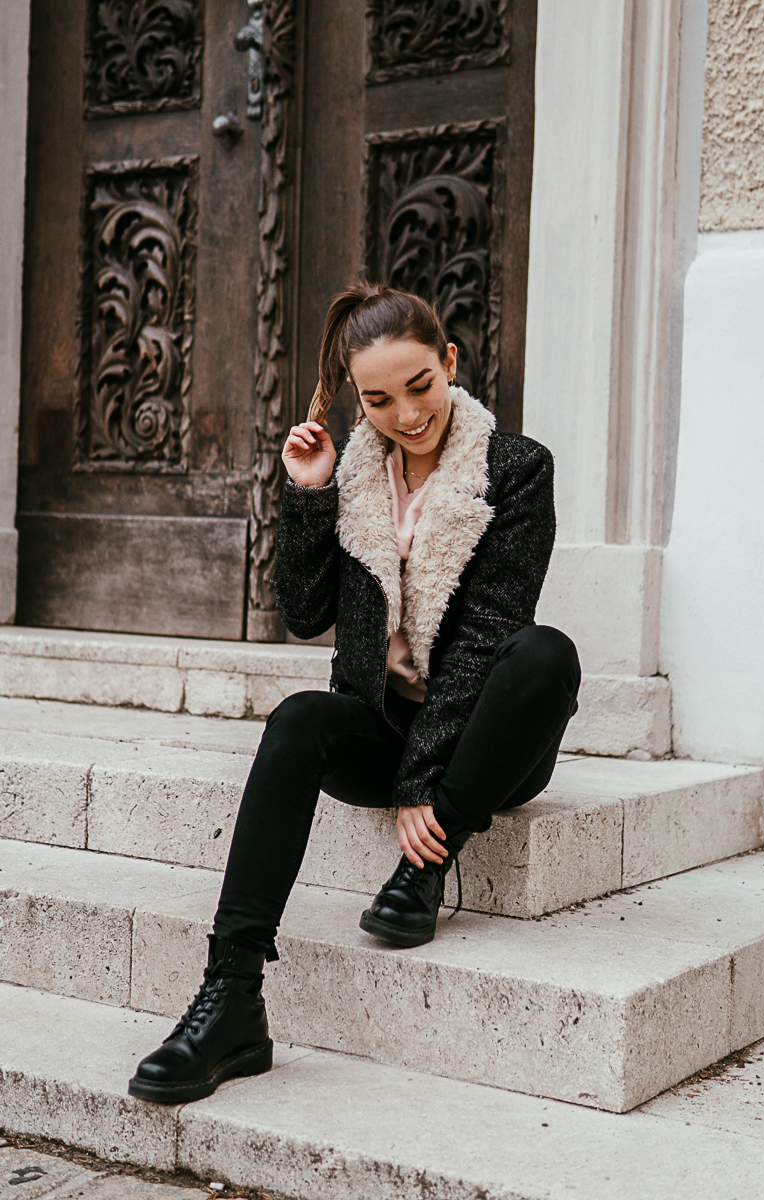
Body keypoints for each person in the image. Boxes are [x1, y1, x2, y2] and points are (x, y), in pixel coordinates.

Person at [128, 283, 581, 1105]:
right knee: (299, 718)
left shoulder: (515, 468)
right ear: (356, 399)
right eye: (377, 400)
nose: (406, 414)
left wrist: (424, 787)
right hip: (386, 725)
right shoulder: (356, 476)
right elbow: (305, 616)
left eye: (420, 386)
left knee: (544, 653)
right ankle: (231, 995)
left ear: (449, 363)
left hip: (488, 742)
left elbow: (485, 636)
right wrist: (310, 493)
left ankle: (426, 866)